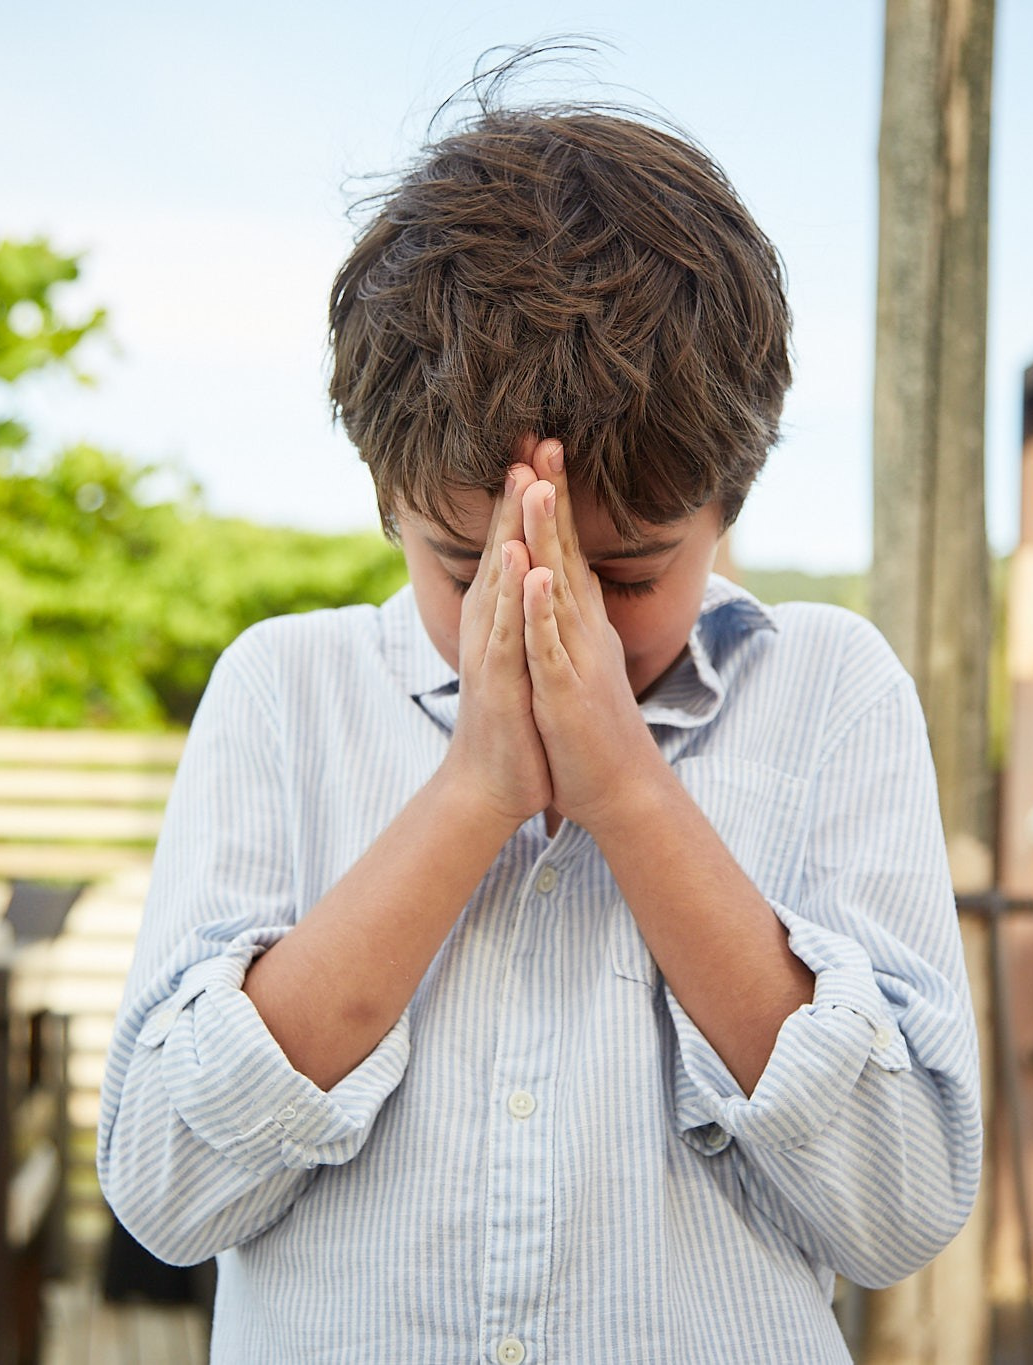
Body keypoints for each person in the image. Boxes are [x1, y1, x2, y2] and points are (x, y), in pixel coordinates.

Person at [97, 89, 982, 1363]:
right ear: (384, 501)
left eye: (622, 577)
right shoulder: (283, 695)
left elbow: (896, 1206)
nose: (543, 617)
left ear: (730, 503)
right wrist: (472, 796)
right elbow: (168, 1191)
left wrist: (626, 790)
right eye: (468, 566)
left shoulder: (829, 696)